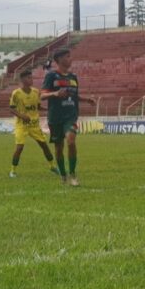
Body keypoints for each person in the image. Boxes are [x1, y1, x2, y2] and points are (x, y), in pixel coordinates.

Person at [41, 48, 96, 186]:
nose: (70, 59)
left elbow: (74, 95)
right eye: (67, 56)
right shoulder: (51, 76)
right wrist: (54, 94)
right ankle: (63, 175)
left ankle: (73, 174)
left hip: (70, 115)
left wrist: (86, 99)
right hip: (55, 117)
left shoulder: (73, 77)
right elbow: (42, 95)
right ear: (59, 60)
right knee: (59, 148)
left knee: (71, 141)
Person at [9, 69, 59, 177]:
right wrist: (22, 116)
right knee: (19, 147)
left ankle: (52, 166)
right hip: (21, 125)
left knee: (44, 146)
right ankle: (13, 170)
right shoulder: (16, 93)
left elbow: (38, 106)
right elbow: (11, 109)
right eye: (28, 78)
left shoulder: (36, 92)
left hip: (34, 125)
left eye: (31, 77)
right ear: (22, 79)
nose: (31, 79)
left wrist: (48, 109)